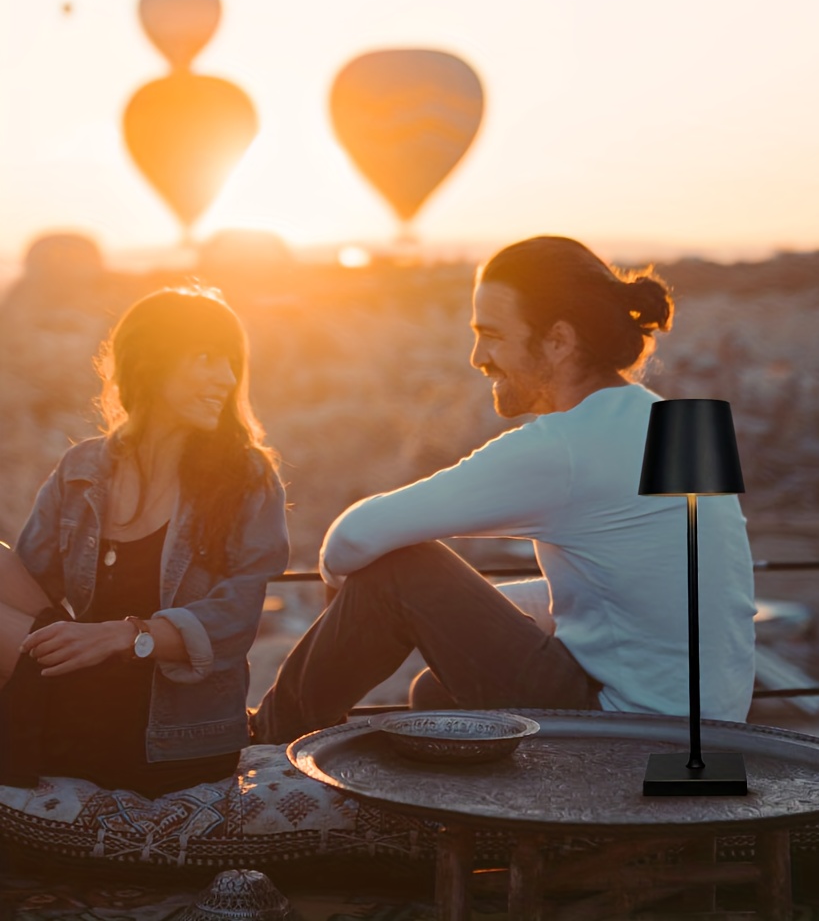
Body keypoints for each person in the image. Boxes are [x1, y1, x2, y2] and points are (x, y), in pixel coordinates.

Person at [251, 236, 755, 744]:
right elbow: (626, 599)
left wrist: (349, 589)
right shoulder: (668, 424)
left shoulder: (565, 446)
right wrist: (457, 610)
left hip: (624, 734)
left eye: (490, 335)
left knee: (400, 570)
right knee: (436, 697)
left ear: (558, 341)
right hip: (703, 734)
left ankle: (265, 737)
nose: (477, 358)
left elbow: (353, 537)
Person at [0, 286, 289, 797]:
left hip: (172, 728)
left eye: (230, 362)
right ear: (150, 363)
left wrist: (122, 634)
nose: (225, 378)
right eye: (205, 358)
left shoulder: (246, 477)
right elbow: (29, 585)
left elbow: (238, 615)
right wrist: (77, 641)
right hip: (77, 690)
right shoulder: (82, 468)